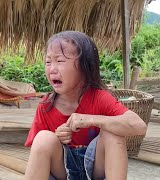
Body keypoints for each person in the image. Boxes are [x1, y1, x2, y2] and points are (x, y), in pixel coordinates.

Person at [24, 31, 147, 180]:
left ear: (84, 66)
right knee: (44, 138)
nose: (52, 69)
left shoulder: (99, 98)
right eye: (48, 62)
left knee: (112, 132)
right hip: (63, 171)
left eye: (60, 61)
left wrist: (92, 120)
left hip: (96, 169)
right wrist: (56, 138)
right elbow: (36, 153)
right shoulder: (46, 105)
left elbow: (139, 126)